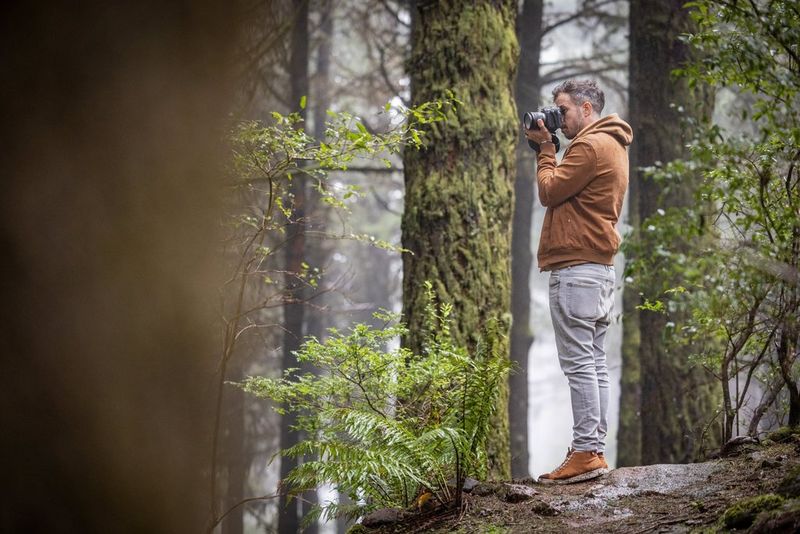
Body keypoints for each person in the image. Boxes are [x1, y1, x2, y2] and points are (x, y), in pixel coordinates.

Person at [524, 79, 633, 484]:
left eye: (564, 111)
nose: (560, 119)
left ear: (588, 109)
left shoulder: (589, 146)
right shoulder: (613, 145)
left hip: (576, 269)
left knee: (579, 365)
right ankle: (592, 447)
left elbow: (550, 191)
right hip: (597, 269)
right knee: (594, 364)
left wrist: (546, 149)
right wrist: (551, 146)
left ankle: (587, 450)